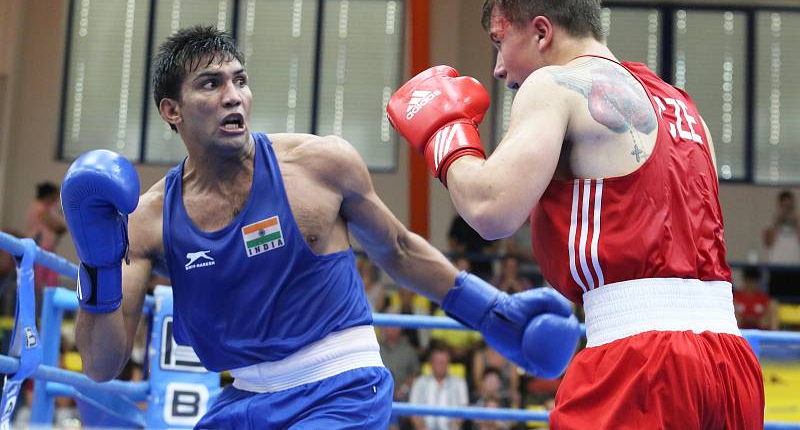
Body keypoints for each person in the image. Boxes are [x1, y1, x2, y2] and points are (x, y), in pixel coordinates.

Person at [61, 26, 580, 428]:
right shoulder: (149, 221)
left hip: (340, 387)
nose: (233, 96)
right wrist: (98, 263)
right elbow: (102, 365)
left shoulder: (317, 165)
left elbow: (397, 248)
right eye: (210, 84)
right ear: (171, 110)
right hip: (243, 399)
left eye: (239, 80)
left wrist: (490, 312)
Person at [388, 0, 764, 430]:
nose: (499, 69)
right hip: (730, 363)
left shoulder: (556, 84)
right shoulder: (683, 107)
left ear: (542, 32)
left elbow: (489, 209)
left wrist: (445, 136)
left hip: (641, 364)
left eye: (500, 42)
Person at [408, 344, 468, 430]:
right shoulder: (419, 382)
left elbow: (463, 410)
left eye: (443, 362)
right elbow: (413, 411)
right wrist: (421, 428)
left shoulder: (459, 383)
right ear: (431, 363)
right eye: (437, 362)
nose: (440, 365)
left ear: (449, 363)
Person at [25, 182, 67, 293]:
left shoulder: (47, 209)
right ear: (48, 196)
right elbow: (57, 227)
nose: (56, 200)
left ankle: (46, 303)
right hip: (39, 248)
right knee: (38, 281)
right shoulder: (39, 207)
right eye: (55, 197)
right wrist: (61, 225)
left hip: (47, 248)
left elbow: (60, 226)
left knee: (51, 281)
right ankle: (38, 306)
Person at [733, 266, 779, 330]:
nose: (750, 283)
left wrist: (752, 320)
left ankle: (774, 338)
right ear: (744, 279)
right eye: (748, 279)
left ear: (757, 281)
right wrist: (748, 320)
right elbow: (738, 321)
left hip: (760, 332)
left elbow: (764, 322)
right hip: (740, 333)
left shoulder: (763, 298)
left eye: (753, 280)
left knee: (773, 304)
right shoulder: (736, 297)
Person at [762, 190, 800, 265]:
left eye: (789, 206)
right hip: (776, 266)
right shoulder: (770, 223)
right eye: (784, 206)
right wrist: (777, 222)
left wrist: (797, 223)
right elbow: (768, 243)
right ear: (779, 206)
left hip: (796, 267)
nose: (787, 209)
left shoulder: (798, 222)